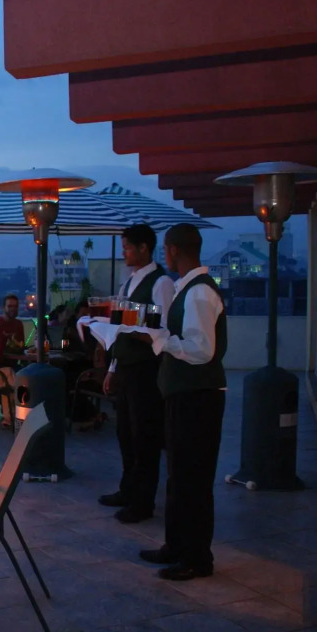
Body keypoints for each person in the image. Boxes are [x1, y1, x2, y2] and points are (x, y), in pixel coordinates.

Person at [133, 223, 227, 581]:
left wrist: (160, 340)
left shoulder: (199, 292)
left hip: (198, 398)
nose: (165, 255)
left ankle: (197, 558)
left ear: (172, 250)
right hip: (183, 396)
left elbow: (202, 350)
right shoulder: (188, 288)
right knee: (179, 475)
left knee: (193, 479)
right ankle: (176, 546)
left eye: (165, 250)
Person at [98, 224, 176, 524]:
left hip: (147, 368)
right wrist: (113, 368)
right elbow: (119, 328)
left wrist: (134, 330)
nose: (125, 253)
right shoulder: (128, 283)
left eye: (128, 247)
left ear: (145, 248)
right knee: (125, 433)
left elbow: (164, 330)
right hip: (127, 367)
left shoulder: (161, 283)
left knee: (144, 435)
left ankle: (143, 501)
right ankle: (128, 489)